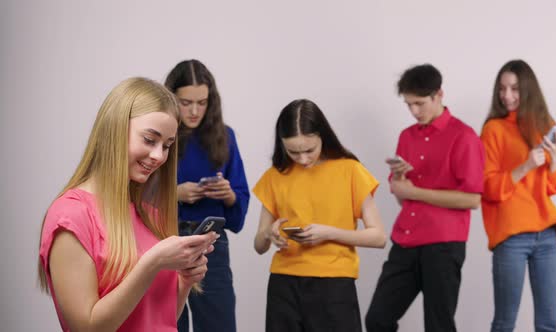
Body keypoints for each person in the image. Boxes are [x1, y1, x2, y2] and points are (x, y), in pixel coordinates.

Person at [37, 77, 218, 331]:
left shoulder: (150, 215)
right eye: (149, 139)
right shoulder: (71, 215)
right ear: (114, 129)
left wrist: (185, 281)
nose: (158, 156)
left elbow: (161, 318)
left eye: (167, 146)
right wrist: (152, 263)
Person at [365, 64, 485, 332]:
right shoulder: (406, 137)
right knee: (377, 319)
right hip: (406, 241)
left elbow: (472, 199)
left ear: (439, 94)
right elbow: (401, 197)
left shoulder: (464, 137)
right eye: (408, 105)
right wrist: (400, 182)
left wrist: (414, 192)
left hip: (443, 246)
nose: (414, 111)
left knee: (438, 326)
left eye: (419, 103)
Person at [253, 99, 387, 332]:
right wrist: (270, 234)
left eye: (309, 150)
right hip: (284, 284)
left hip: (334, 285)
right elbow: (259, 245)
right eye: (293, 152)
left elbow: (378, 237)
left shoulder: (350, 170)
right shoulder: (275, 176)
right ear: (282, 145)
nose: (303, 159)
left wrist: (328, 233)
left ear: (323, 137)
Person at [480, 59, 556, 332]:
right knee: (505, 322)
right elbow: (487, 188)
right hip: (511, 238)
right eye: (502, 89)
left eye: (515, 89)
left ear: (528, 89)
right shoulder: (493, 130)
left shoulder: (545, 125)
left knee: (548, 324)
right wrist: (525, 166)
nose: (507, 96)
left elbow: (555, 186)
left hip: (547, 236)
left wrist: (554, 165)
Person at [165, 59, 250, 332]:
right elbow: (136, 195)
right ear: (170, 98)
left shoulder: (225, 137)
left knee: (219, 324)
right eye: (185, 102)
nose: (194, 111)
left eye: (201, 102)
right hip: (166, 239)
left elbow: (238, 211)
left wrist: (228, 196)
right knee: (167, 323)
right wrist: (175, 193)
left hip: (210, 242)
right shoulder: (161, 135)